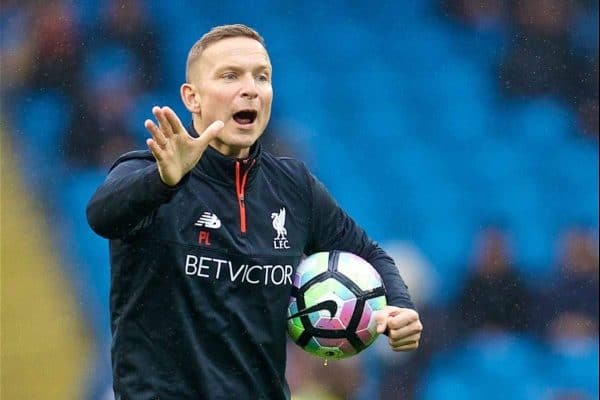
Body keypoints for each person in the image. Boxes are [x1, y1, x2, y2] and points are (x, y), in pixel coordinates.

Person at [86, 24, 422, 400]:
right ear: (192, 97)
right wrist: (164, 181)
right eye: (230, 75)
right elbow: (102, 215)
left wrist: (400, 307)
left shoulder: (294, 186)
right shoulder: (145, 174)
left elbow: (369, 254)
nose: (250, 88)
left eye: (262, 77)